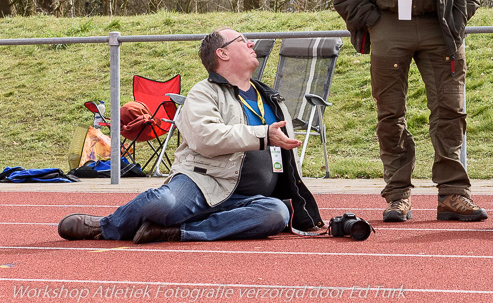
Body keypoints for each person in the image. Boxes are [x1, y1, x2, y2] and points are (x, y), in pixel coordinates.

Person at [327, 0, 487, 223]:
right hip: (386, 23)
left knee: (450, 109)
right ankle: (397, 196)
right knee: (390, 113)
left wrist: (456, 18)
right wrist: (369, 21)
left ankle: (453, 194)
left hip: (440, 25)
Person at [58, 28, 324, 244]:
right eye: (242, 40)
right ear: (223, 53)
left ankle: (176, 232)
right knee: (162, 203)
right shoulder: (203, 93)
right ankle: (105, 226)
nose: (252, 43)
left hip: (248, 200)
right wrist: (263, 134)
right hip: (203, 183)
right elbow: (206, 138)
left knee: (275, 213)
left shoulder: (271, 98)